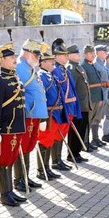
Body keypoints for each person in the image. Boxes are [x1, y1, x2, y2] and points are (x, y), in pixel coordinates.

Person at [0, 40, 27, 206]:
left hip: (17, 127)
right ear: (1, 59)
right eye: (11, 57)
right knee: (3, 161)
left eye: (14, 56)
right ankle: (4, 194)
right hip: (5, 129)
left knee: (11, 160)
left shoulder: (15, 77)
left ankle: (10, 191)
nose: (14, 59)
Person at [13, 39, 47, 192]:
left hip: (34, 114)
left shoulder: (29, 67)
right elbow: (19, 92)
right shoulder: (20, 66)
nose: (39, 57)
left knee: (29, 146)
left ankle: (26, 175)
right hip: (27, 114)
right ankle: (19, 179)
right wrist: (28, 109)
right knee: (22, 146)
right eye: (36, 54)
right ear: (27, 53)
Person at [50, 38, 80, 169]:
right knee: (56, 136)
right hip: (61, 110)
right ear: (56, 56)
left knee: (61, 136)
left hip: (69, 108)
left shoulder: (64, 70)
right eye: (64, 55)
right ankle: (55, 161)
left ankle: (58, 159)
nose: (67, 57)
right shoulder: (55, 70)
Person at [36, 47, 62, 181]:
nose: (53, 62)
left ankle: (47, 168)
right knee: (44, 141)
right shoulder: (41, 76)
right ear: (42, 62)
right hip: (48, 113)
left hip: (55, 113)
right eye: (50, 60)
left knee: (50, 141)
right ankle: (41, 170)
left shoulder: (51, 74)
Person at [66, 44, 91, 162]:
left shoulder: (78, 67)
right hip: (77, 106)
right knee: (74, 132)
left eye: (78, 53)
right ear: (69, 55)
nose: (79, 55)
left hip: (84, 105)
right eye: (76, 54)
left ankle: (77, 152)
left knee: (81, 130)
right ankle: (71, 154)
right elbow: (71, 89)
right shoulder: (70, 68)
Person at [81, 45, 105, 150]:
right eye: (91, 53)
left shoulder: (92, 65)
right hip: (90, 98)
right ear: (85, 54)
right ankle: (85, 143)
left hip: (96, 97)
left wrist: (100, 97)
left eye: (93, 53)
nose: (93, 55)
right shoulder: (83, 66)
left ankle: (94, 139)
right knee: (87, 121)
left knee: (95, 119)